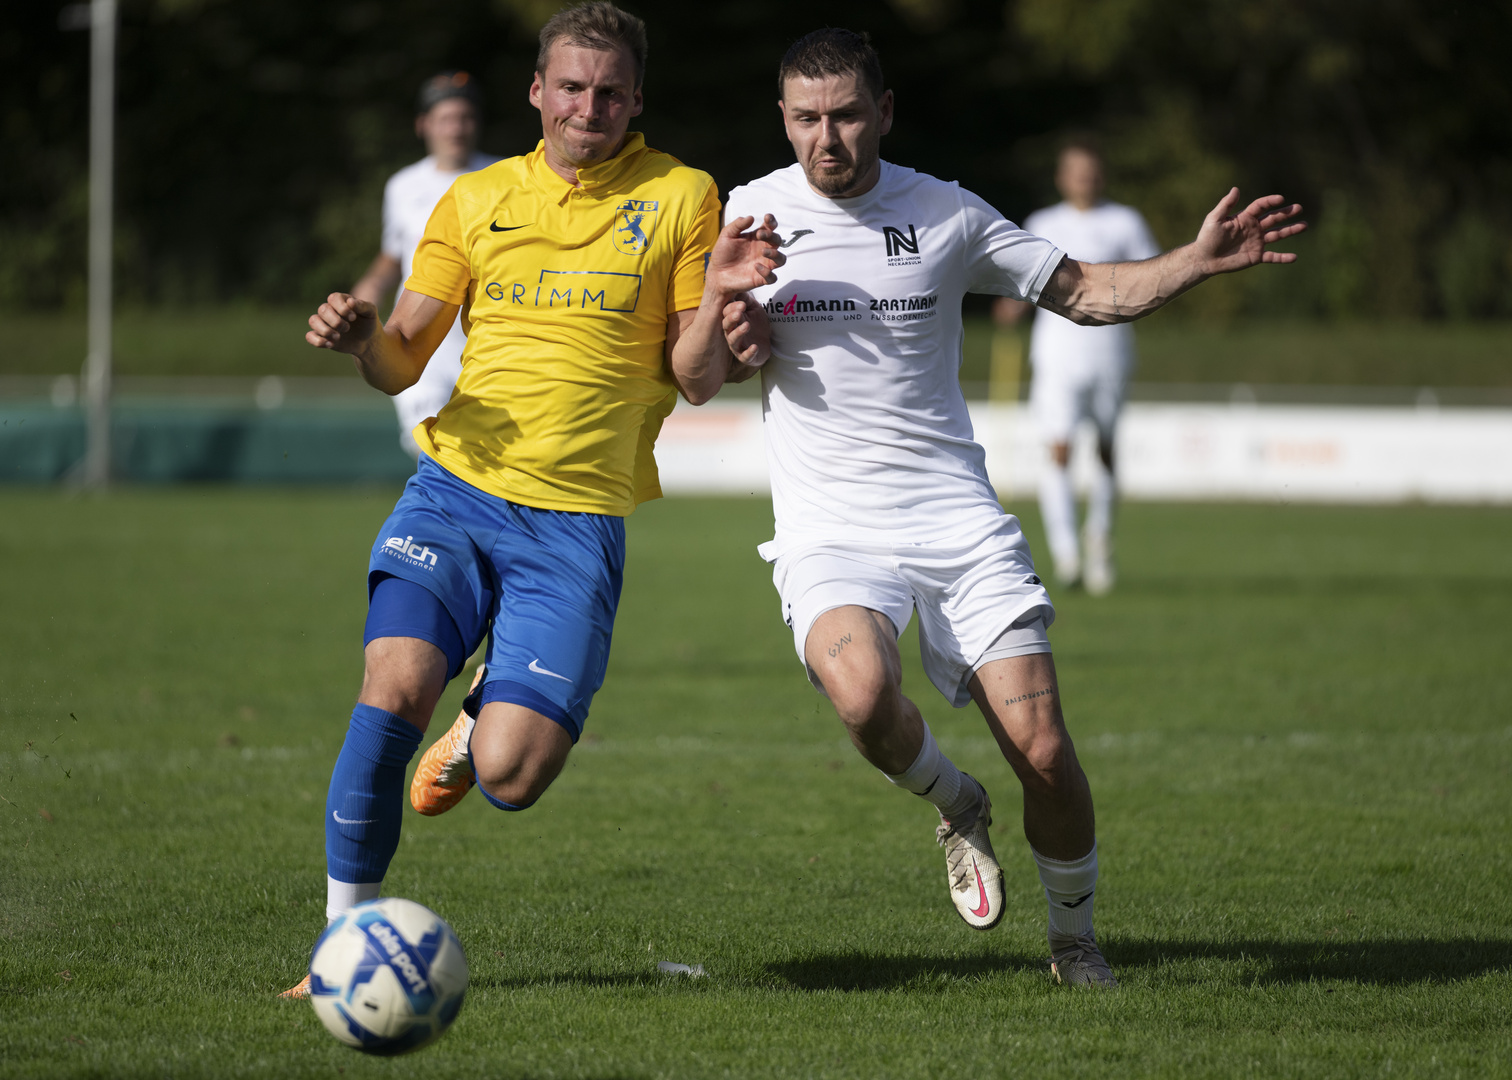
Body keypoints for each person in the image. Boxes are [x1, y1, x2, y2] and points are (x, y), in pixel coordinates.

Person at [721, 28, 1303, 987]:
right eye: (807, 118)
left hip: (956, 518)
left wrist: (1192, 263)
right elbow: (694, 369)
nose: (828, 137)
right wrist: (721, 318)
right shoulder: (745, 217)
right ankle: (956, 803)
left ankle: (1074, 938)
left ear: (886, 112)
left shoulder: (946, 212)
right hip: (830, 527)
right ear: (782, 119)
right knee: (864, 698)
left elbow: (1084, 290)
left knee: (1042, 746)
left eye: (848, 114)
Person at [280, 0, 782, 998]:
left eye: (608, 92)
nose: (587, 108)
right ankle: (339, 952)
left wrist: (722, 296)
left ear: (635, 99)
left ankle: (483, 721)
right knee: (390, 692)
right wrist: (362, 339)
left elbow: (693, 377)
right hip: (456, 490)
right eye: (570, 88)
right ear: (536, 93)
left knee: (512, 775)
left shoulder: (684, 196)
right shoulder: (473, 200)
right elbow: (401, 361)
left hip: (577, 523)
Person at [992, 140, 1161, 593]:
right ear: (1062, 177)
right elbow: (1025, 281)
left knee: (1105, 448)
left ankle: (1100, 540)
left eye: (1091, 170)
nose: (1084, 178)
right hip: (1057, 356)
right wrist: (1013, 308)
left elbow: (1151, 277)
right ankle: (1066, 554)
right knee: (1059, 450)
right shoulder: (1044, 223)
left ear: (1102, 173)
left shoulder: (1125, 221)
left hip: (1111, 353)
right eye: (1076, 171)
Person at [351, 72, 501, 460]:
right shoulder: (402, 186)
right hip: (419, 341)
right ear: (424, 125)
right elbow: (394, 252)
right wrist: (370, 287)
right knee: (432, 453)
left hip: (487, 345)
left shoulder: (504, 179)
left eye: (465, 117)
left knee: (489, 458)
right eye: (446, 118)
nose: (457, 128)